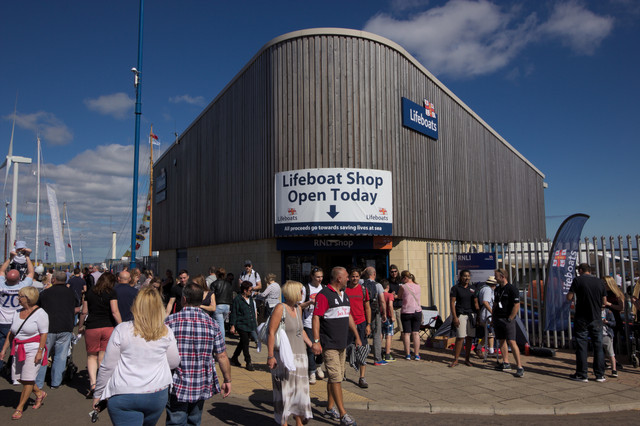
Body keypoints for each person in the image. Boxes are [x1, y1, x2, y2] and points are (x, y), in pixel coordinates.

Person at [93, 287, 180, 425]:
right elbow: (174, 362)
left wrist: (98, 393)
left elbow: (108, 366)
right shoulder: (166, 331)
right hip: (156, 394)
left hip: (125, 393)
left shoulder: (122, 330)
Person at [165, 283, 232, 425]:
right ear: (202, 300)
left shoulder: (170, 322)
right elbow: (222, 356)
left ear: (184, 299)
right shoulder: (212, 324)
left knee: (175, 421)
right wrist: (227, 380)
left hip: (176, 384)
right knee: (195, 420)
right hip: (200, 383)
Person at [312, 266, 360, 426]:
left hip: (342, 344)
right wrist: (316, 341)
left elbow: (349, 316)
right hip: (330, 345)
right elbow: (316, 318)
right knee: (336, 377)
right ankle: (342, 414)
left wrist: (357, 336)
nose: (349, 279)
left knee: (335, 377)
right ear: (339, 278)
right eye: (347, 276)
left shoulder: (344, 295)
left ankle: (329, 408)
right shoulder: (324, 295)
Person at [266, 280, 313, 426]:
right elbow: (271, 333)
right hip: (285, 358)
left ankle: (299, 421)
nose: (302, 293)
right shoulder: (281, 308)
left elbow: (301, 331)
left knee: (300, 393)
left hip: (301, 357)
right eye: (300, 290)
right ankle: (284, 422)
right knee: (285, 393)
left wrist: (312, 344)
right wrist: (270, 356)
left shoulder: (298, 308)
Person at [0, 286, 49, 420]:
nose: (17, 298)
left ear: (27, 298)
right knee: (20, 377)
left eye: (20, 296)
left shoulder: (41, 313)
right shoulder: (17, 312)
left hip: (33, 348)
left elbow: (44, 334)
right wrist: (4, 349)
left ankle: (19, 407)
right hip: (18, 348)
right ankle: (39, 393)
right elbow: (11, 332)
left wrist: (40, 351)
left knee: (27, 380)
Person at [77, 272, 122, 398]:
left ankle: (93, 384)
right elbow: (114, 311)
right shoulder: (112, 292)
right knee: (102, 356)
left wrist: (80, 326)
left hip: (92, 326)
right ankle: (103, 385)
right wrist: (121, 325)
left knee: (91, 356)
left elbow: (84, 311)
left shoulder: (90, 292)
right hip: (108, 326)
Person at [35, 271, 80, 390]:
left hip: (48, 327)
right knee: (61, 356)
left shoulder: (45, 293)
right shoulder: (71, 293)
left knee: (44, 355)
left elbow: (38, 307)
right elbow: (77, 306)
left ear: (53, 280)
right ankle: (56, 382)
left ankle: (38, 383)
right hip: (65, 326)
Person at [567, 263, 606, 382]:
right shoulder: (600, 282)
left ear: (580, 270)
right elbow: (604, 301)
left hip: (582, 316)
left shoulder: (578, 280)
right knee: (598, 346)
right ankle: (600, 374)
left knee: (581, 345)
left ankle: (582, 374)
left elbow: (569, 297)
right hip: (596, 317)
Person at [0, 251, 34, 373]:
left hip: (2, 320)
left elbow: (1, 271)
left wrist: (10, 258)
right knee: (15, 345)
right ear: (19, 278)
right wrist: (27, 257)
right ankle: (12, 366)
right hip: (16, 320)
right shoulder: (22, 287)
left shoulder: (1, 286)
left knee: (1, 344)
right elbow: (31, 272)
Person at [493, 268, 524, 377]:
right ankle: (505, 362)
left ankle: (519, 366)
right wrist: (493, 316)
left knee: (512, 341)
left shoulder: (511, 289)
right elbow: (495, 303)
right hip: (498, 318)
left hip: (507, 319)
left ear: (502, 276)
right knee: (501, 340)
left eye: (496, 276)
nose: (495, 278)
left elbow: (516, 305)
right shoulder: (497, 289)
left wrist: (510, 318)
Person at [344, 268, 370, 388]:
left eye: (357, 276)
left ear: (360, 277)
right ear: (349, 277)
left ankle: (362, 377)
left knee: (362, 350)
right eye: (353, 276)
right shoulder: (344, 289)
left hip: (361, 323)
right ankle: (342, 373)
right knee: (344, 349)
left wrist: (368, 324)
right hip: (347, 324)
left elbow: (367, 307)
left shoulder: (363, 290)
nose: (355, 279)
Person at [449, 270, 479, 367]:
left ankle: (467, 359)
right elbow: (452, 303)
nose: (467, 278)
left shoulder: (473, 288)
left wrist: (478, 316)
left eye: (468, 276)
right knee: (460, 337)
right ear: (460, 277)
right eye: (465, 276)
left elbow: (476, 303)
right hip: (461, 314)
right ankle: (456, 359)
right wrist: (454, 317)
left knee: (469, 338)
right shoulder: (455, 288)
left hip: (471, 315)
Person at [300, 266, 325, 384]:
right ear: (312, 277)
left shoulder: (324, 288)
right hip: (309, 322)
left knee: (322, 347)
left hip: (322, 323)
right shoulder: (306, 289)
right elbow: (300, 306)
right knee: (311, 348)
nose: (320, 279)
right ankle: (312, 372)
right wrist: (310, 302)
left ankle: (318, 365)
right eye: (317, 277)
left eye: (321, 277)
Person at [229, 281, 258, 371]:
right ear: (245, 290)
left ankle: (234, 357)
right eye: (250, 290)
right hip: (241, 324)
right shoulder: (237, 299)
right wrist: (232, 325)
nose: (251, 292)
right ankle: (248, 362)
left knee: (242, 342)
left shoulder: (251, 299)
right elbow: (234, 313)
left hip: (250, 324)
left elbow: (253, 311)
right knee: (246, 343)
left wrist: (254, 321)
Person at [362, 266, 387, 366]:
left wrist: (364, 271)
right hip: (375, 312)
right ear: (374, 274)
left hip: (363, 311)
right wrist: (384, 313)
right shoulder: (378, 285)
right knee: (377, 334)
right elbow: (382, 300)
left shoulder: (361, 283)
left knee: (363, 334)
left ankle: (361, 356)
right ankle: (377, 359)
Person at [397, 270, 421, 360]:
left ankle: (407, 354)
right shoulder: (418, 286)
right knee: (416, 333)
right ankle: (417, 354)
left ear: (405, 278)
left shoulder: (403, 286)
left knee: (407, 333)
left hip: (406, 311)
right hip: (417, 311)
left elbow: (399, 296)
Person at [477, 276, 497, 357]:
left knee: (488, 333)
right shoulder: (488, 290)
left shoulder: (484, 288)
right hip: (487, 315)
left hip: (486, 314)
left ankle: (478, 347)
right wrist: (492, 312)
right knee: (490, 332)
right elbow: (485, 302)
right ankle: (491, 351)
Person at [211, 267, 232, 341]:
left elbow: (212, 296)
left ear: (216, 274)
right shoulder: (229, 284)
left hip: (218, 306)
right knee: (220, 324)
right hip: (227, 306)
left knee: (220, 326)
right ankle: (217, 340)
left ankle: (221, 343)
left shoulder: (214, 284)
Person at [380, 279, 395, 362]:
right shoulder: (390, 295)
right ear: (388, 287)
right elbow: (390, 305)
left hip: (381, 316)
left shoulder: (380, 294)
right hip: (388, 317)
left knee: (381, 334)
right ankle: (387, 354)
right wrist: (392, 316)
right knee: (389, 336)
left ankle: (378, 352)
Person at [601, 306, 617, 378]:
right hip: (598, 334)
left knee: (610, 353)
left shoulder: (608, 312)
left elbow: (613, 323)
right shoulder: (595, 311)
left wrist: (607, 322)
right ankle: (601, 368)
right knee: (599, 353)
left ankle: (614, 370)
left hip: (607, 334)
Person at [387, 265, 402, 336]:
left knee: (401, 327)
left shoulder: (401, 281)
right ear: (389, 272)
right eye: (392, 272)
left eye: (395, 271)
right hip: (391, 306)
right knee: (390, 324)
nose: (394, 273)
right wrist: (390, 294)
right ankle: (389, 336)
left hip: (399, 305)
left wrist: (398, 296)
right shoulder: (388, 281)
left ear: (397, 271)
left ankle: (403, 340)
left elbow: (405, 293)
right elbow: (385, 293)